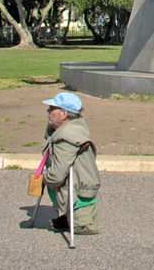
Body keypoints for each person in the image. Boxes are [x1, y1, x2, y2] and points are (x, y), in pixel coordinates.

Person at [41, 92, 100, 235]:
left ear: (64, 114)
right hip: (80, 187)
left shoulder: (67, 137)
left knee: (82, 228)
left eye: (51, 109)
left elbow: (56, 175)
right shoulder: (75, 126)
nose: (48, 112)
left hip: (80, 192)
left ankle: (72, 218)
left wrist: (43, 179)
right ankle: (66, 217)